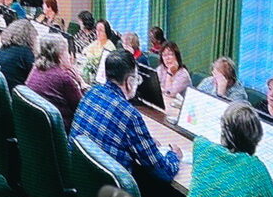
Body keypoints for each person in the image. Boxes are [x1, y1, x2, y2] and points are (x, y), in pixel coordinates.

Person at [71, 49, 183, 184]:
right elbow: (164, 171)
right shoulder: (129, 115)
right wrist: (174, 155)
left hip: (80, 181)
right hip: (110, 191)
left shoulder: (90, 93)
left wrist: (146, 141)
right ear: (129, 82)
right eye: (136, 79)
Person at [22, 33, 85, 131]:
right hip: (59, 131)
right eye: (67, 52)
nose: (69, 56)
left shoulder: (35, 68)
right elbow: (82, 108)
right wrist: (81, 82)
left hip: (35, 127)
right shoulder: (64, 78)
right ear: (60, 55)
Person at [0, 18, 37, 88]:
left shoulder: (4, 47)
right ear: (31, 36)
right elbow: (34, 78)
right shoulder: (26, 53)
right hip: (13, 91)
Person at [155, 42, 192, 118]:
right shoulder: (161, 69)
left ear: (177, 56)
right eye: (164, 55)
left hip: (179, 112)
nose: (167, 58)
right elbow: (155, 87)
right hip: (165, 107)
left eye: (170, 54)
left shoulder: (183, 74)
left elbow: (169, 93)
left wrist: (169, 73)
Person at [78, 20, 119, 84]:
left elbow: (99, 61)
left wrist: (90, 56)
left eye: (101, 30)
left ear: (106, 32)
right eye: (97, 30)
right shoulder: (97, 42)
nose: (98, 33)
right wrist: (90, 56)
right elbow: (84, 51)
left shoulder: (109, 46)